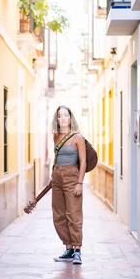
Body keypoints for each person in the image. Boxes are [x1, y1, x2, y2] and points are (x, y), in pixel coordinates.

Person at [51, 105, 86, 265]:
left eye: (65, 115)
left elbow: (83, 161)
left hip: (72, 176)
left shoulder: (77, 137)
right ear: (57, 119)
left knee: (74, 214)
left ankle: (77, 250)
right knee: (58, 214)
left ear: (70, 119)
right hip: (57, 176)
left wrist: (79, 182)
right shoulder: (56, 136)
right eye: (60, 116)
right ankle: (69, 248)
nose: (63, 118)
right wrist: (54, 176)